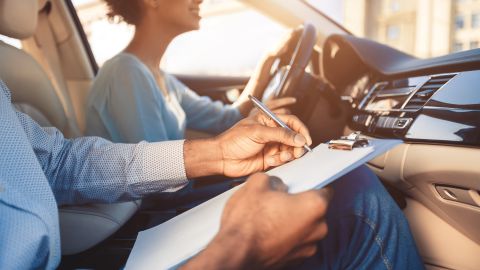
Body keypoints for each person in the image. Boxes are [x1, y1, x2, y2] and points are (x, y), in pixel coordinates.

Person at [0, 79, 424, 269]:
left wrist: (215, 154)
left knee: (351, 186)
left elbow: (56, 162)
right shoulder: (124, 74)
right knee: (358, 208)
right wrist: (233, 253)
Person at [85, 0, 295, 143]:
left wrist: (268, 60)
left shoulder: (159, 77)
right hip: (162, 208)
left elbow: (228, 119)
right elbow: (157, 180)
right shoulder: (125, 73)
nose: (200, 0)